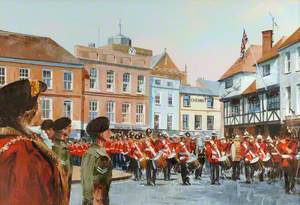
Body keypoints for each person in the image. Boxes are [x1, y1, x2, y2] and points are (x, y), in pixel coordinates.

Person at [0, 79, 68, 205]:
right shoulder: (24, 149)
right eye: (38, 103)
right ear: (28, 112)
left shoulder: (7, 141)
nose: (39, 108)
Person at [81, 116, 113, 205]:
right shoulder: (102, 157)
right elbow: (99, 185)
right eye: (108, 130)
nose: (111, 133)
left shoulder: (89, 152)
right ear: (101, 134)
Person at [52, 117, 73, 202]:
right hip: (61, 189)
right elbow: (63, 172)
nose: (71, 129)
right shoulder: (61, 147)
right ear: (63, 130)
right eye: (69, 127)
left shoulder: (57, 143)